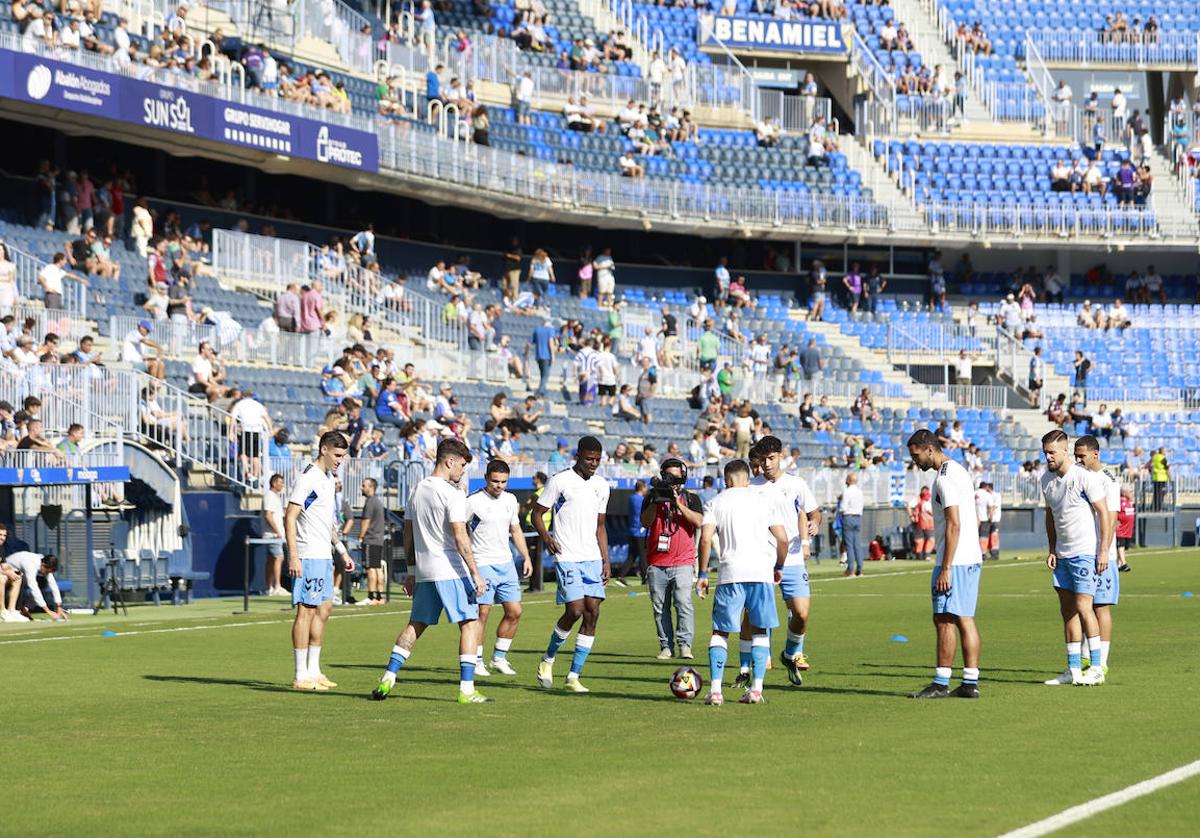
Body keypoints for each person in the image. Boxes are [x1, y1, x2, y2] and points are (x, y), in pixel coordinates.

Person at [371, 439, 490, 703]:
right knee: (470, 624)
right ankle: (467, 690)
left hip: (425, 571)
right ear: (449, 461)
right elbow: (460, 536)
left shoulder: (417, 489)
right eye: (461, 464)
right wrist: (475, 573)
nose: (462, 470)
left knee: (416, 625)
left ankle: (388, 678)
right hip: (451, 569)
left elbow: (408, 531)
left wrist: (412, 571)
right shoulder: (453, 493)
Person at [697, 458, 788, 706]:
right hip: (761, 573)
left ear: (726, 480)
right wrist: (778, 567)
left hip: (730, 574)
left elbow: (705, 540)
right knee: (760, 630)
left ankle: (716, 690)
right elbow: (782, 540)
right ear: (747, 479)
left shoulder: (715, 502)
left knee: (720, 631)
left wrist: (702, 574)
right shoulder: (764, 501)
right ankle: (756, 690)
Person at [905, 430, 983, 699]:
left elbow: (953, 523)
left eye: (916, 455)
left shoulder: (944, 480)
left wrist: (946, 567)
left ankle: (941, 683)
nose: (915, 461)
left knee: (946, 619)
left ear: (929, 449)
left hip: (955, 560)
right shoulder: (959, 470)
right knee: (962, 618)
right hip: (970, 556)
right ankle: (970, 682)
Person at [532, 436, 611, 693]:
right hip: (566, 556)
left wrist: (606, 560)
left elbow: (600, 526)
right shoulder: (560, 480)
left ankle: (574, 676)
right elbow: (536, 513)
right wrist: (547, 538)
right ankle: (548, 659)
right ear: (577, 456)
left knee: (593, 613)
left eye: (598, 460)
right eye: (589, 459)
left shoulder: (602, 485)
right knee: (575, 610)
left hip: (592, 557)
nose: (593, 464)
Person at [1039, 430, 1111, 687]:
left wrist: (1103, 551)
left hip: (1083, 552)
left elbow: (1103, 513)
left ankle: (1096, 667)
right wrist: (1051, 548)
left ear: (1064, 451)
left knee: (1084, 607)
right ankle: (1073, 670)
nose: (1047, 456)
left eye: (1051, 452)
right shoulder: (1046, 479)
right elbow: (1050, 515)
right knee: (1068, 612)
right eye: (1045, 452)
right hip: (1062, 554)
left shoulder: (1084, 477)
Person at [285, 431, 355, 692]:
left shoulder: (327, 480)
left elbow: (327, 523)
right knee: (306, 611)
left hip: (324, 554)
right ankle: (300, 674)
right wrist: (294, 555)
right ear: (324, 449)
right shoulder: (308, 478)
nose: (340, 460)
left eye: (343, 456)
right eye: (337, 455)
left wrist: (341, 550)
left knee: (324, 610)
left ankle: (314, 670)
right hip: (308, 555)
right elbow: (290, 516)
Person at [749, 436, 820, 686]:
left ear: (781, 456)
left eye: (771, 458)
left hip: (792, 558)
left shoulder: (797, 484)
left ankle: (790, 653)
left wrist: (814, 524)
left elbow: (813, 511)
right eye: (763, 459)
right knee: (762, 612)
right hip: (763, 559)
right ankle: (762, 654)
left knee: (801, 614)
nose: (767, 464)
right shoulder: (752, 487)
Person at [467, 459, 533, 677]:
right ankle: (476, 660)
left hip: (506, 564)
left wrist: (526, 557)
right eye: (495, 481)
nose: (499, 486)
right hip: (482, 563)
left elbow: (515, 530)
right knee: (482, 613)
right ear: (487, 478)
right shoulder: (473, 501)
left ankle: (499, 658)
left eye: (503, 482)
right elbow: (460, 532)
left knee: (515, 611)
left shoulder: (510, 500)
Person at [641, 458, 703, 660]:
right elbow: (645, 522)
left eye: (676, 477)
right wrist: (656, 501)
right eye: (668, 477)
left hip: (683, 561)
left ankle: (685, 645)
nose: (672, 481)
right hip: (657, 562)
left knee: (683, 603)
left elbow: (699, 521)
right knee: (660, 608)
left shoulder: (691, 498)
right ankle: (666, 646)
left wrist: (677, 503)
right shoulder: (652, 496)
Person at [1074, 436, 1119, 675]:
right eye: (1076, 456)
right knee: (1083, 606)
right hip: (1082, 551)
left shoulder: (1107, 481)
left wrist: (1104, 551)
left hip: (1102, 555)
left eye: (1082, 456)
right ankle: (1084, 657)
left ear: (1096, 454)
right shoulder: (1079, 476)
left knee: (1100, 606)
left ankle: (1101, 660)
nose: (1078, 460)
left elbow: (1110, 520)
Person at [7, 551, 66, 621]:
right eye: (47, 572)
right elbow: (34, 588)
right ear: (43, 565)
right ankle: (14, 610)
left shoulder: (42, 563)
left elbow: (53, 585)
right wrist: (48, 611)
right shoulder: (30, 564)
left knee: (42, 582)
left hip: (17, 573)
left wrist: (58, 606)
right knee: (21, 579)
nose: (47, 574)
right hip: (5, 573)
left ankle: (25, 609)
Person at [358, 478, 388, 606]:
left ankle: (371, 596)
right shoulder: (378, 502)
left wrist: (360, 537)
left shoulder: (370, 502)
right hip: (379, 540)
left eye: (364, 485)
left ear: (371, 487)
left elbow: (366, 521)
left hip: (370, 539)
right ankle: (380, 596)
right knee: (377, 568)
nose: (361, 488)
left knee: (371, 569)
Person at [614, 480, 647, 587]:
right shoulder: (641, 499)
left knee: (632, 555)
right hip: (640, 531)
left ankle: (621, 576)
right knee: (643, 556)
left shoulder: (631, 498)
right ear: (642, 488)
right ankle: (645, 578)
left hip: (633, 530)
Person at [262, 473, 288, 597]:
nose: (282, 485)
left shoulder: (275, 497)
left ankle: (269, 587)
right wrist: (277, 531)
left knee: (271, 560)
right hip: (272, 535)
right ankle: (277, 586)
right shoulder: (270, 496)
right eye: (280, 482)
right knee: (278, 557)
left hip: (275, 534)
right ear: (274, 483)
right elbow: (268, 515)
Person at [841, 473, 865, 577]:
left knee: (849, 545)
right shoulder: (860, 492)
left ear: (849, 480)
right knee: (857, 545)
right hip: (858, 517)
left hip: (849, 517)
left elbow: (843, 507)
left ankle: (850, 569)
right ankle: (860, 568)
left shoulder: (847, 491)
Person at [1116, 486, 1134, 572]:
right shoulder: (1118, 502)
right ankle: (1124, 563)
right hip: (1120, 529)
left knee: (1124, 547)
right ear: (1123, 493)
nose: (1131, 493)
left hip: (1128, 529)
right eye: (1129, 491)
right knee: (1121, 546)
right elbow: (1114, 512)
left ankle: (1118, 565)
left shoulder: (1129, 502)